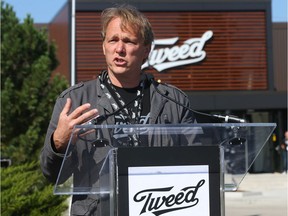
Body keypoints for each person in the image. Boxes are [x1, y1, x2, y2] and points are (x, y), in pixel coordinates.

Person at [40, 4, 196, 215]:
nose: (119, 49)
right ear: (104, 46)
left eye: (129, 41)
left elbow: (198, 165)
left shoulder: (174, 101)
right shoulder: (74, 101)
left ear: (146, 50)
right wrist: (58, 144)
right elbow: (50, 174)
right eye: (113, 40)